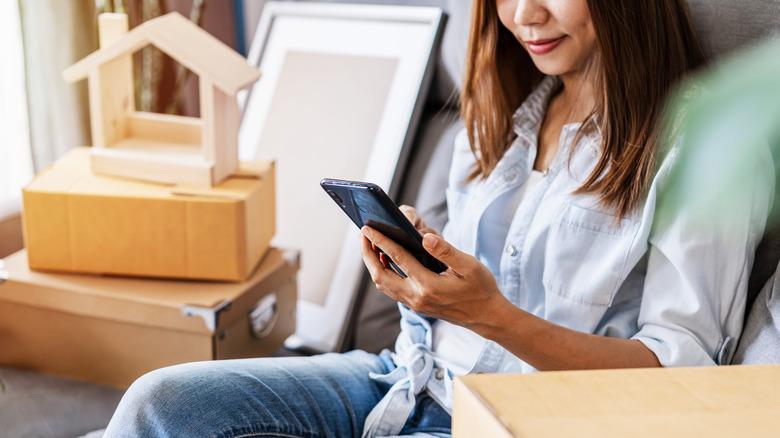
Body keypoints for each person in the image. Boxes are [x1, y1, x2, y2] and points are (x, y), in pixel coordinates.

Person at [102, 1, 773, 437]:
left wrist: (493, 316)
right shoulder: (505, 116)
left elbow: (682, 377)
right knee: (158, 405)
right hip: (407, 379)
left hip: (518, 423)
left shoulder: (705, 141)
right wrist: (425, 270)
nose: (524, 15)